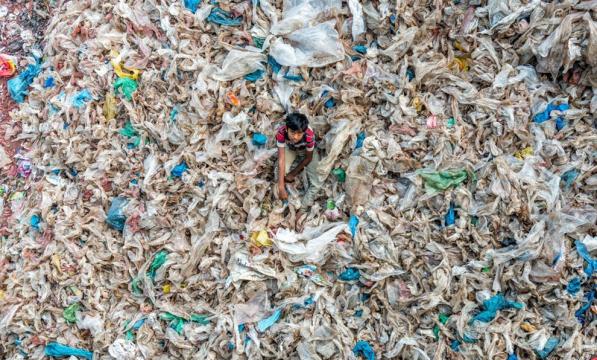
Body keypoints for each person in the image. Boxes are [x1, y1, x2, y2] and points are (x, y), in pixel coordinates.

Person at [275, 112, 322, 219]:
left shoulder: (309, 135)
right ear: (287, 128)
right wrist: (281, 187)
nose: (295, 137)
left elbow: (308, 158)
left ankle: (302, 210)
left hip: (305, 151)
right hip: (291, 148)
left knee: (316, 183)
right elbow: (281, 159)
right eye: (292, 132)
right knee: (279, 173)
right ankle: (285, 200)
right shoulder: (281, 132)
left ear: (304, 132)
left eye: (299, 134)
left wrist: (293, 173)